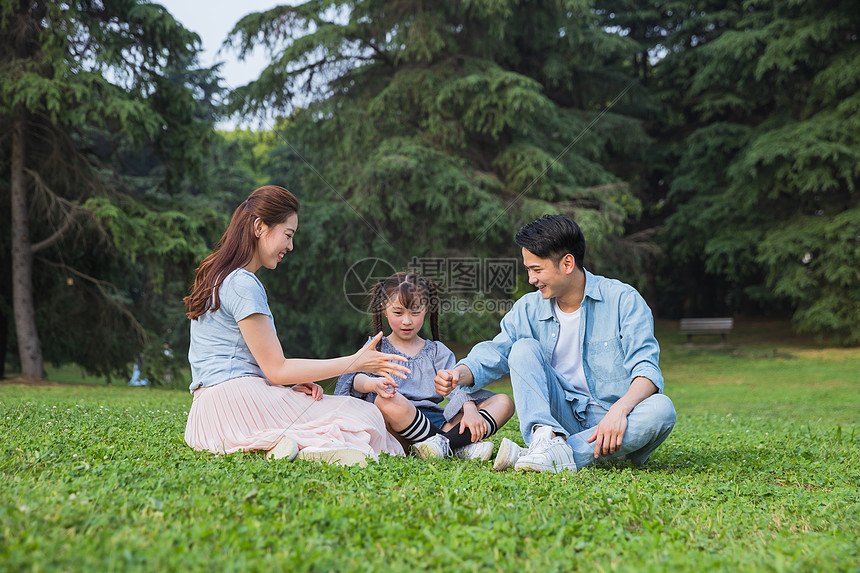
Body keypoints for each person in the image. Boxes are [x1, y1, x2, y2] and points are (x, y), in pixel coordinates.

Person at [183, 185, 410, 466]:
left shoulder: (216, 277)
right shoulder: (243, 283)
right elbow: (277, 369)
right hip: (238, 404)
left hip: (206, 421)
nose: (290, 246)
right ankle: (311, 448)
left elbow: (241, 363)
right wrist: (356, 362)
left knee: (333, 410)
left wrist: (280, 386)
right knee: (365, 414)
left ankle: (287, 445)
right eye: (288, 235)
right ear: (259, 227)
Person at [435, 215, 676, 473]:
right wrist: (458, 374)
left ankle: (546, 454)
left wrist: (619, 411)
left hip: (615, 421)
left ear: (568, 263)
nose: (530, 279)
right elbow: (496, 352)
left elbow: (646, 371)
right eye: (528, 269)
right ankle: (545, 440)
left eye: (536, 270)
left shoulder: (623, 300)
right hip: (561, 419)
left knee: (662, 409)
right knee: (523, 348)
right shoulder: (528, 308)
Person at [335, 272, 514, 461]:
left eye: (415, 312)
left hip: (436, 422)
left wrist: (470, 410)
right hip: (396, 427)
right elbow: (354, 379)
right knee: (385, 402)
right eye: (398, 312)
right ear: (384, 309)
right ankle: (456, 446)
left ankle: (442, 445)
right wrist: (373, 384)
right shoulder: (376, 347)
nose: (407, 321)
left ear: (426, 309)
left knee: (504, 402)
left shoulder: (437, 351)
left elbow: (456, 388)